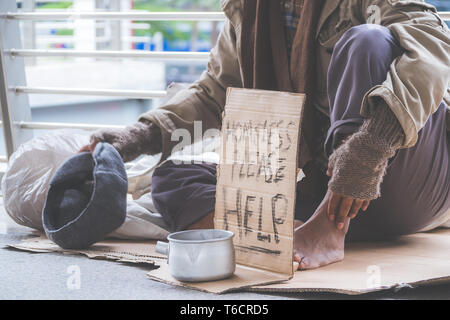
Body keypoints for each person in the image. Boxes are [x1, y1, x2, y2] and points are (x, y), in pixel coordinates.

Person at [80, 0, 450, 270]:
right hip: (319, 186)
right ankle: (285, 232)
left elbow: (434, 46)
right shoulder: (249, 9)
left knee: (367, 42)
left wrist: (369, 148)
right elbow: (214, 92)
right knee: (173, 175)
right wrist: (138, 135)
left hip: (405, 178)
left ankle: (327, 227)